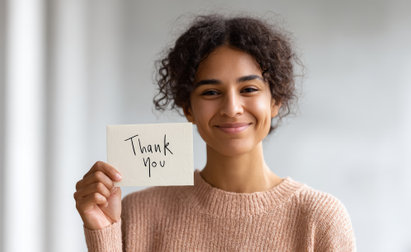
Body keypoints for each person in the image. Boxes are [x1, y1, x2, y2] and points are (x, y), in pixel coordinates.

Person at [74, 14, 356, 251]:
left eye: (248, 89)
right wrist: (104, 233)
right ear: (188, 108)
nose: (232, 108)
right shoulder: (139, 214)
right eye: (211, 92)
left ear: (275, 102)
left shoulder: (318, 219)